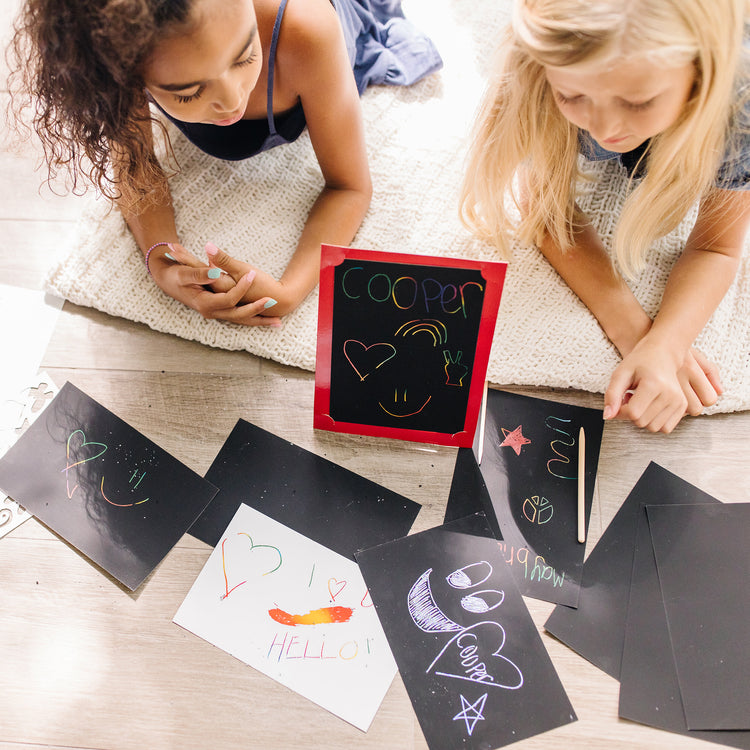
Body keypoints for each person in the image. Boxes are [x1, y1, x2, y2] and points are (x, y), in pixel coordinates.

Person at [8, 0, 442, 325]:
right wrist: (159, 259)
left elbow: (350, 187)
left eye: (245, 56)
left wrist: (291, 288)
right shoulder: (121, 49)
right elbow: (135, 165)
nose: (232, 98)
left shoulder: (307, 31)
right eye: (188, 92)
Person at [460, 0, 750, 433]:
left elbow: (716, 245)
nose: (604, 126)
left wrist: (669, 343)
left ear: (700, 77)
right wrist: (638, 334)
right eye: (572, 95)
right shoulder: (545, 69)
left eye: (637, 101)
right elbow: (545, 211)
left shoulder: (738, 104)